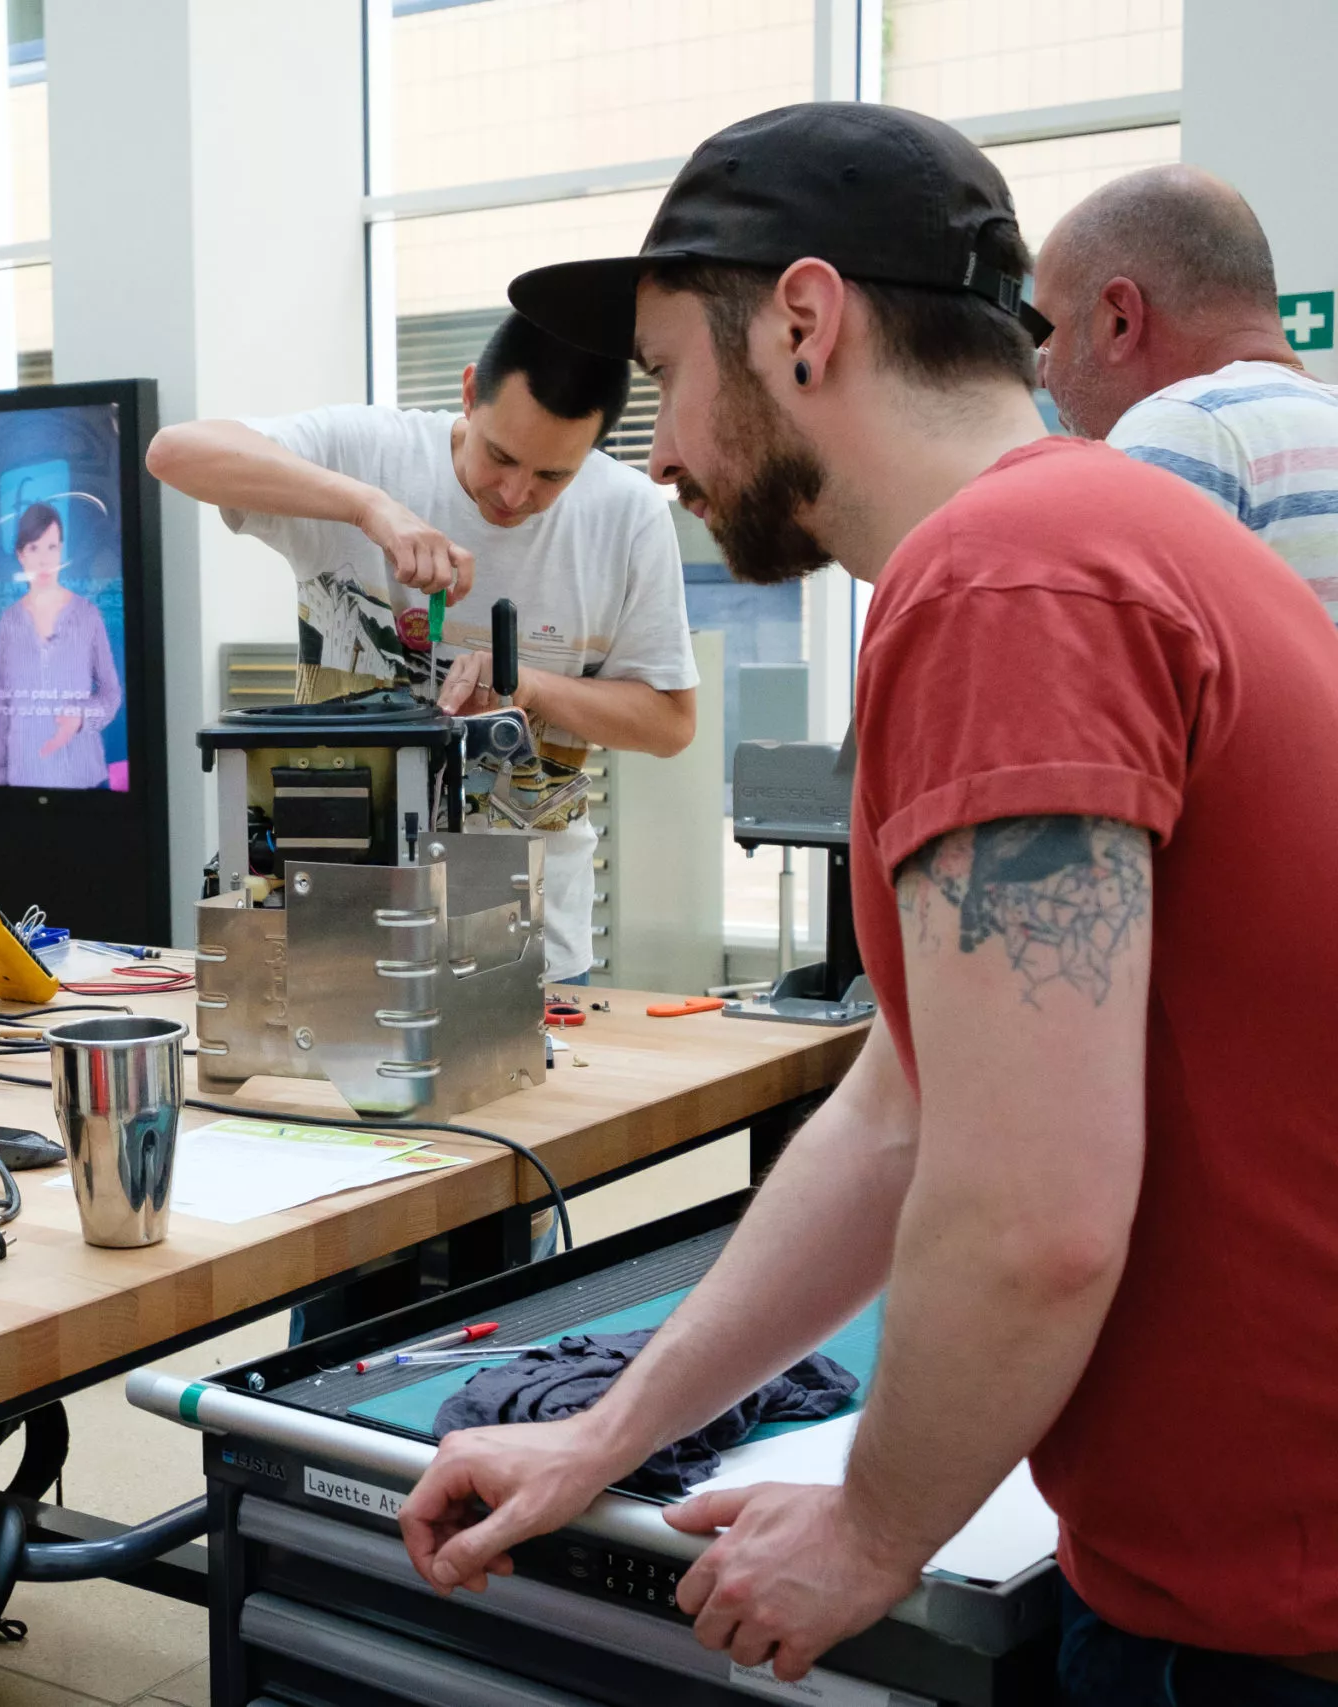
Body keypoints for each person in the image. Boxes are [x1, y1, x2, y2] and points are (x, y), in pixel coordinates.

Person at [396, 103, 1338, 1705]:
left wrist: (873, 1526)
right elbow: (907, 1102)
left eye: (671, 373)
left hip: (1261, 1612)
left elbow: (1029, 1216)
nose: (666, 450)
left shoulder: (1007, 581)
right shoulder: (1113, 529)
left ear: (805, 323)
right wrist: (611, 1425)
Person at [145, 313, 699, 985]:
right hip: (341, 927)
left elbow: (670, 723)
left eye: (553, 475)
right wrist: (369, 509)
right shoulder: (370, 453)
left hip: (530, 948)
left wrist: (529, 688)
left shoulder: (629, 516)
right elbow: (173, 452)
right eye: (499, 455)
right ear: (469, 393)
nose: (515, 494)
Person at [1035, 163, 1338, 620]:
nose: (1043, 370)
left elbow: (1101, 673)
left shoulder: (1183, 428)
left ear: (1119, 319)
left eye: (1048, 334)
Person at [0, 500, 123, 787]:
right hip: (24, 778)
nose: (44, 560)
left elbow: (111, 694)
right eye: (34, 548)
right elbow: (2, 705)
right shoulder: (9, 622)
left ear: (61, 550)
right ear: (21, 555)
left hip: (82, 777)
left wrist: (80, 719)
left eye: (51, 547)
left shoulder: (87, 616)